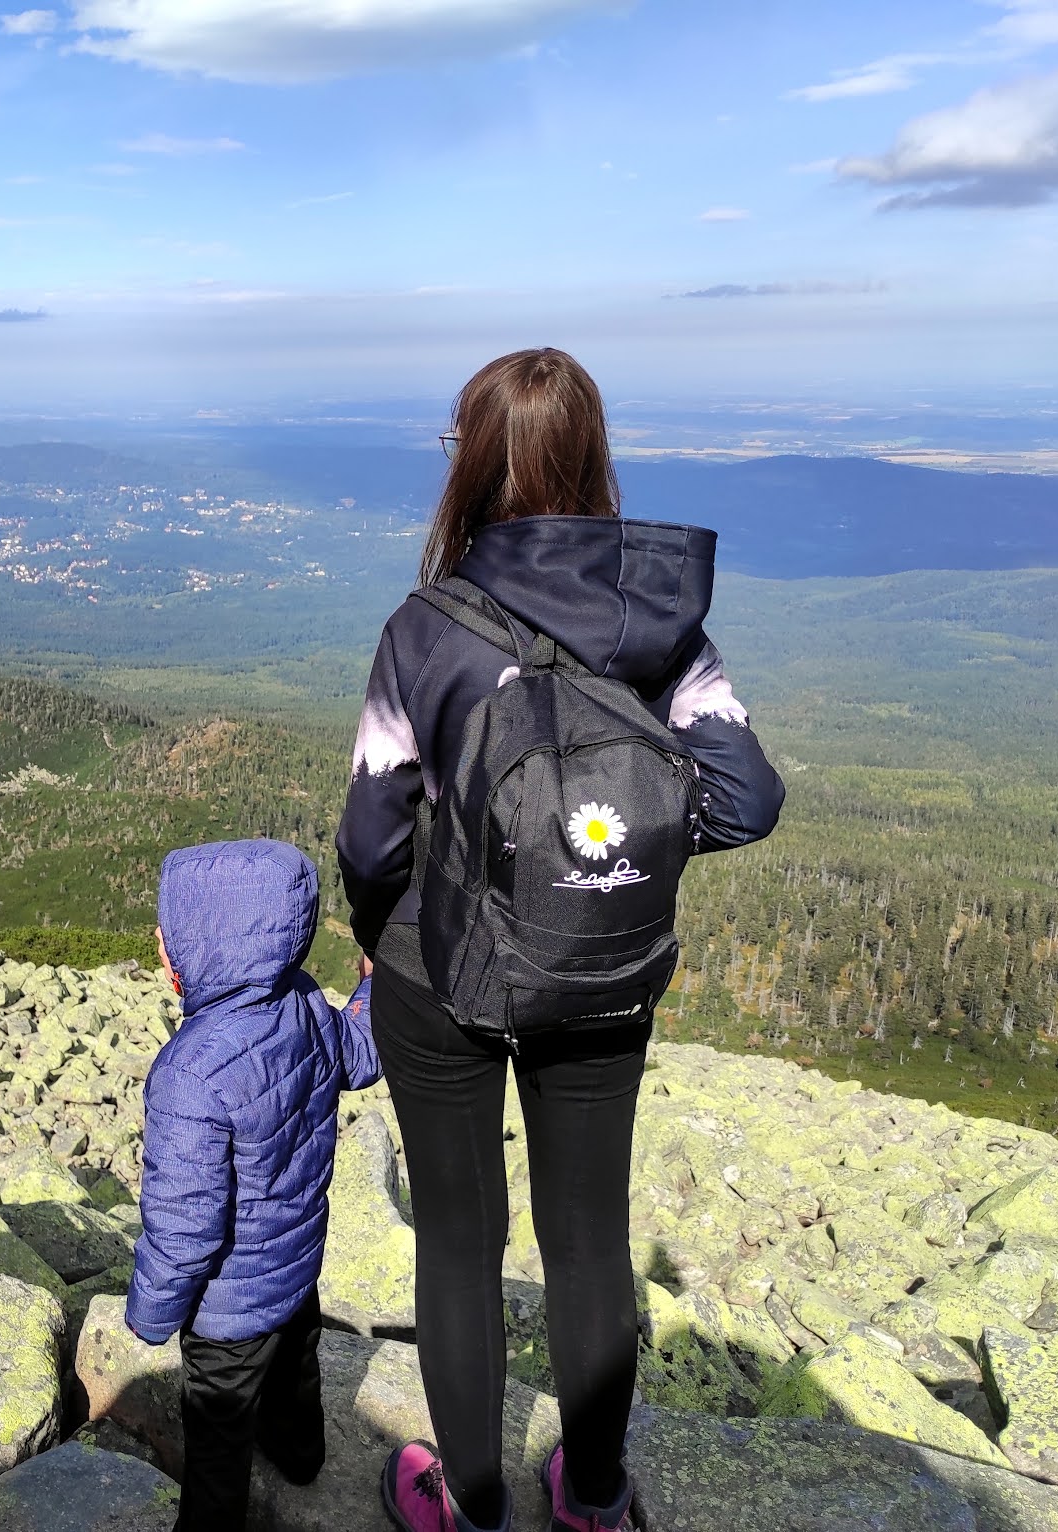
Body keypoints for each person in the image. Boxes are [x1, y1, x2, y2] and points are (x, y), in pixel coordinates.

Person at [337, 349, 785, 1532]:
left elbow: (374, 831)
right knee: (587, 1238)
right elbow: (744, 799)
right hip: (602, 970)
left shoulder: (423, 629)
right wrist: (606, 864)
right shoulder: (669, 632)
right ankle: (592, 1498)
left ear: (470, 463)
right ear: (593, 457)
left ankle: (469, 1505)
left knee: (458, 1238)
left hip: (438, 974)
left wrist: (369, 936)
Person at [126, 837, 381, 1532]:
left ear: (202, 947)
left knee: (217, 1437)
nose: (160, 943)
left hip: (226, 1310)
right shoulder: (301, 1002)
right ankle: (301, 1458)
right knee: (296, 1365)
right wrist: (373, 985)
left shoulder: (187, 1072)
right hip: (295, 1271)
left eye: (169, 933)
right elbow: (359, 1053)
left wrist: (149, 1316)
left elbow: (185, 1227)